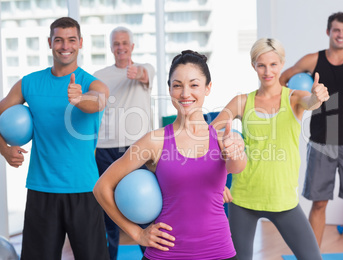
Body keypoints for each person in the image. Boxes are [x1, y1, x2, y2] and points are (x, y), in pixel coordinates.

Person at [93, 50, 247, 260]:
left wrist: (235, 151)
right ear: (169, 89)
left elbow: (237, 166)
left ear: (207, 88)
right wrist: (137, 233)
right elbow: (102, 187)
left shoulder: (222, 139)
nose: (185, 94)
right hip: (166, 253)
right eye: (177, 85)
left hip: (218, 251)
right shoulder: (154, 141)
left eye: (194, 85)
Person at [0, 17, 110, 259]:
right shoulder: (29, 83)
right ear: (49, 42)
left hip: (84, 189)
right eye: (58, 40)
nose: (65, 45)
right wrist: (5, 150)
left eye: (71, 40)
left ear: (80, 43)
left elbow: (99, 100)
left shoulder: (93, 84)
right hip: (42, 189)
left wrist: (80, 100)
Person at [211, 38, 329, 260]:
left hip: (282, 199)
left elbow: (310, 102)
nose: (267, 71)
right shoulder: (242, 102)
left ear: (282, 63)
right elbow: (210, 135)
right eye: (261, 64)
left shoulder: (294, 98)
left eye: (273, 64)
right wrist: (216, 182)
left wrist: (317, 97)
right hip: (244, 198)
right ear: (253, 65)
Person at [279, 12, 343, 260]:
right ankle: (312, 257)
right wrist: (297, 96)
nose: (341, 35)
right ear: (328, 32)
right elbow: (284, 79)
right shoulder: (313, 60)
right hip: (322, 142)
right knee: (319, 203)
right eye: (336, 30)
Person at [93, 26, 155, 260]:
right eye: (116, 44)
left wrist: (136, 73)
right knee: (107, 210)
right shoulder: (100, 75)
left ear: (132, 46)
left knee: (143, 208)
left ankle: (150, 255)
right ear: (111, 48)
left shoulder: (146, 68)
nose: (121, 47)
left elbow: (143, 74)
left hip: (137, 148)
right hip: (106, 148)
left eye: (124, 43)